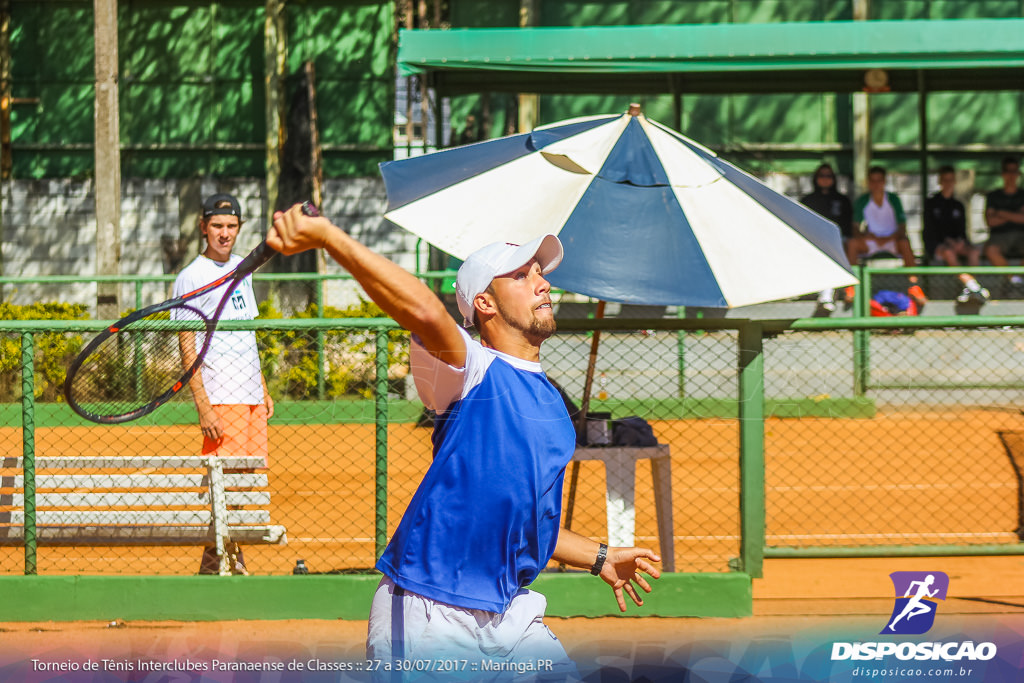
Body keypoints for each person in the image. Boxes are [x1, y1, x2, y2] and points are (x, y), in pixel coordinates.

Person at [268, 205, 660, 677]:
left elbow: (531, 523)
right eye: (521, 276)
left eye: (540, 274)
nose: (543, 284)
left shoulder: (553, 405)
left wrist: (600, 557)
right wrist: (331, 238)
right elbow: (421, 309)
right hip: (429, 613)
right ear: (485, 303)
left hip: (512, 613)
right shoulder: (468, 369)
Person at [174, 193, 275, 575]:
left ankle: (224, 559)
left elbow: (247, 334)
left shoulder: (242, 269)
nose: (224, 233)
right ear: (203, 228)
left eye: (231, 227)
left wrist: (262, 386)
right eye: (217, 226)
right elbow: (187, 347)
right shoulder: (192, 276)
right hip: (221, 397)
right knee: (223, 482)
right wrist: (202, 404)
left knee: (246, 482)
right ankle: (218, 560)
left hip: (249, 397)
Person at [848, 166, 926, 308]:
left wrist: (890, 237)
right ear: (868, 182)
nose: (876, 184)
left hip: (892, 240)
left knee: (905, 243)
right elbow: (855, 227)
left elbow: (902, 227)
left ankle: (914, 285)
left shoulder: (893, 199)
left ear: (884, 182)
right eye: (873, 181)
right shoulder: (863, 201)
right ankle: (851, 286)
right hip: (872, 241)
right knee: (852, 243)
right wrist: (867, 236)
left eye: (879, 180)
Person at [923, 165, 989, 305]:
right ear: (940, 181)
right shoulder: (931, 203)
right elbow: (930, 231)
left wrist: (960, 241)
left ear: (954, 182)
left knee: (974, 252)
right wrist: (947, 241)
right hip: (938, 246)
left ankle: (967, 288)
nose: (948, 183)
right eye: (945, 180)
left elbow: (962, 231)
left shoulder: (958, 205)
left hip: (956, 244)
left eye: (950, 180)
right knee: (949, 252)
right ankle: (973, 286)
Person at [800, 163, 854, 312]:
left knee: (834, 248)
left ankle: (827, 294)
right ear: (816, 178)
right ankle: (826, 294)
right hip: (814, 243)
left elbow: (848, 228)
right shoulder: (808, 200)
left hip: (838, 242)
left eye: (828, 176)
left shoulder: (842, 200)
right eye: (821, 175)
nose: (825, 179)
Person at [984, 156, 1024, 291]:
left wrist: (1001, 213)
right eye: (1008, 171)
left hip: (1021, 236)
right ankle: (1013, 280)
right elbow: (990, 221)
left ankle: (1017, 281)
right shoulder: (993, 196)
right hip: (999, 237)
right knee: (990, 250)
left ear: (1018, 174)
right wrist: (1015, 214)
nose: (1011, 176)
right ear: (1003, 174)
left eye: (1014, 171)